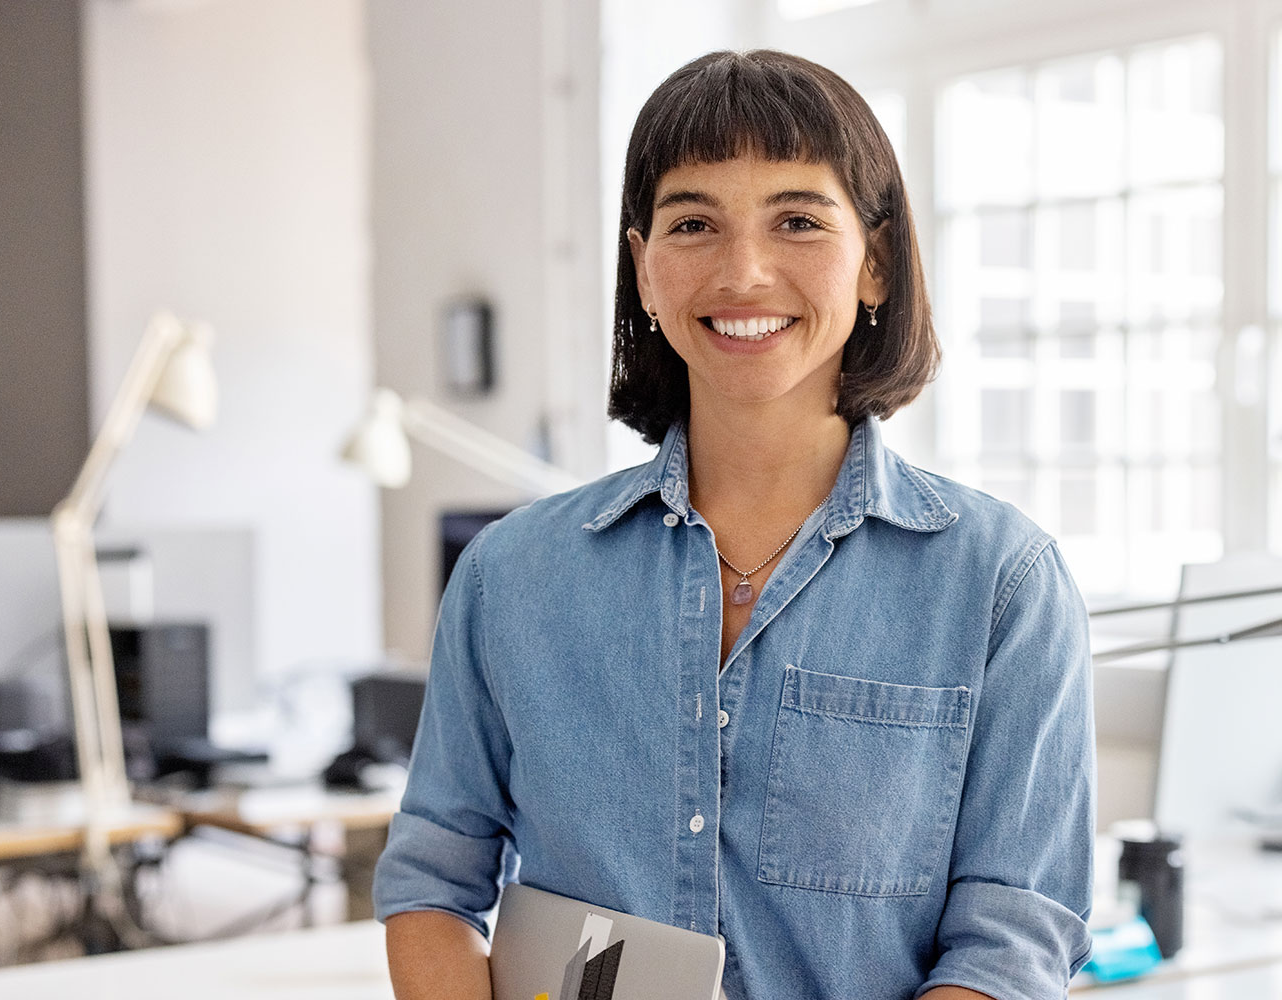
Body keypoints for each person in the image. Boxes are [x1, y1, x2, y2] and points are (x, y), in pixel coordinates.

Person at [376, 49, 1094, 1000]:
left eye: (797, 219)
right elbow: (433, 884)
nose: (743, 270)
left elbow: (1014, 936)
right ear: (643, 268)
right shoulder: (510, 577)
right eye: (693, 223)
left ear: (874, 262)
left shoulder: (1002, 584)